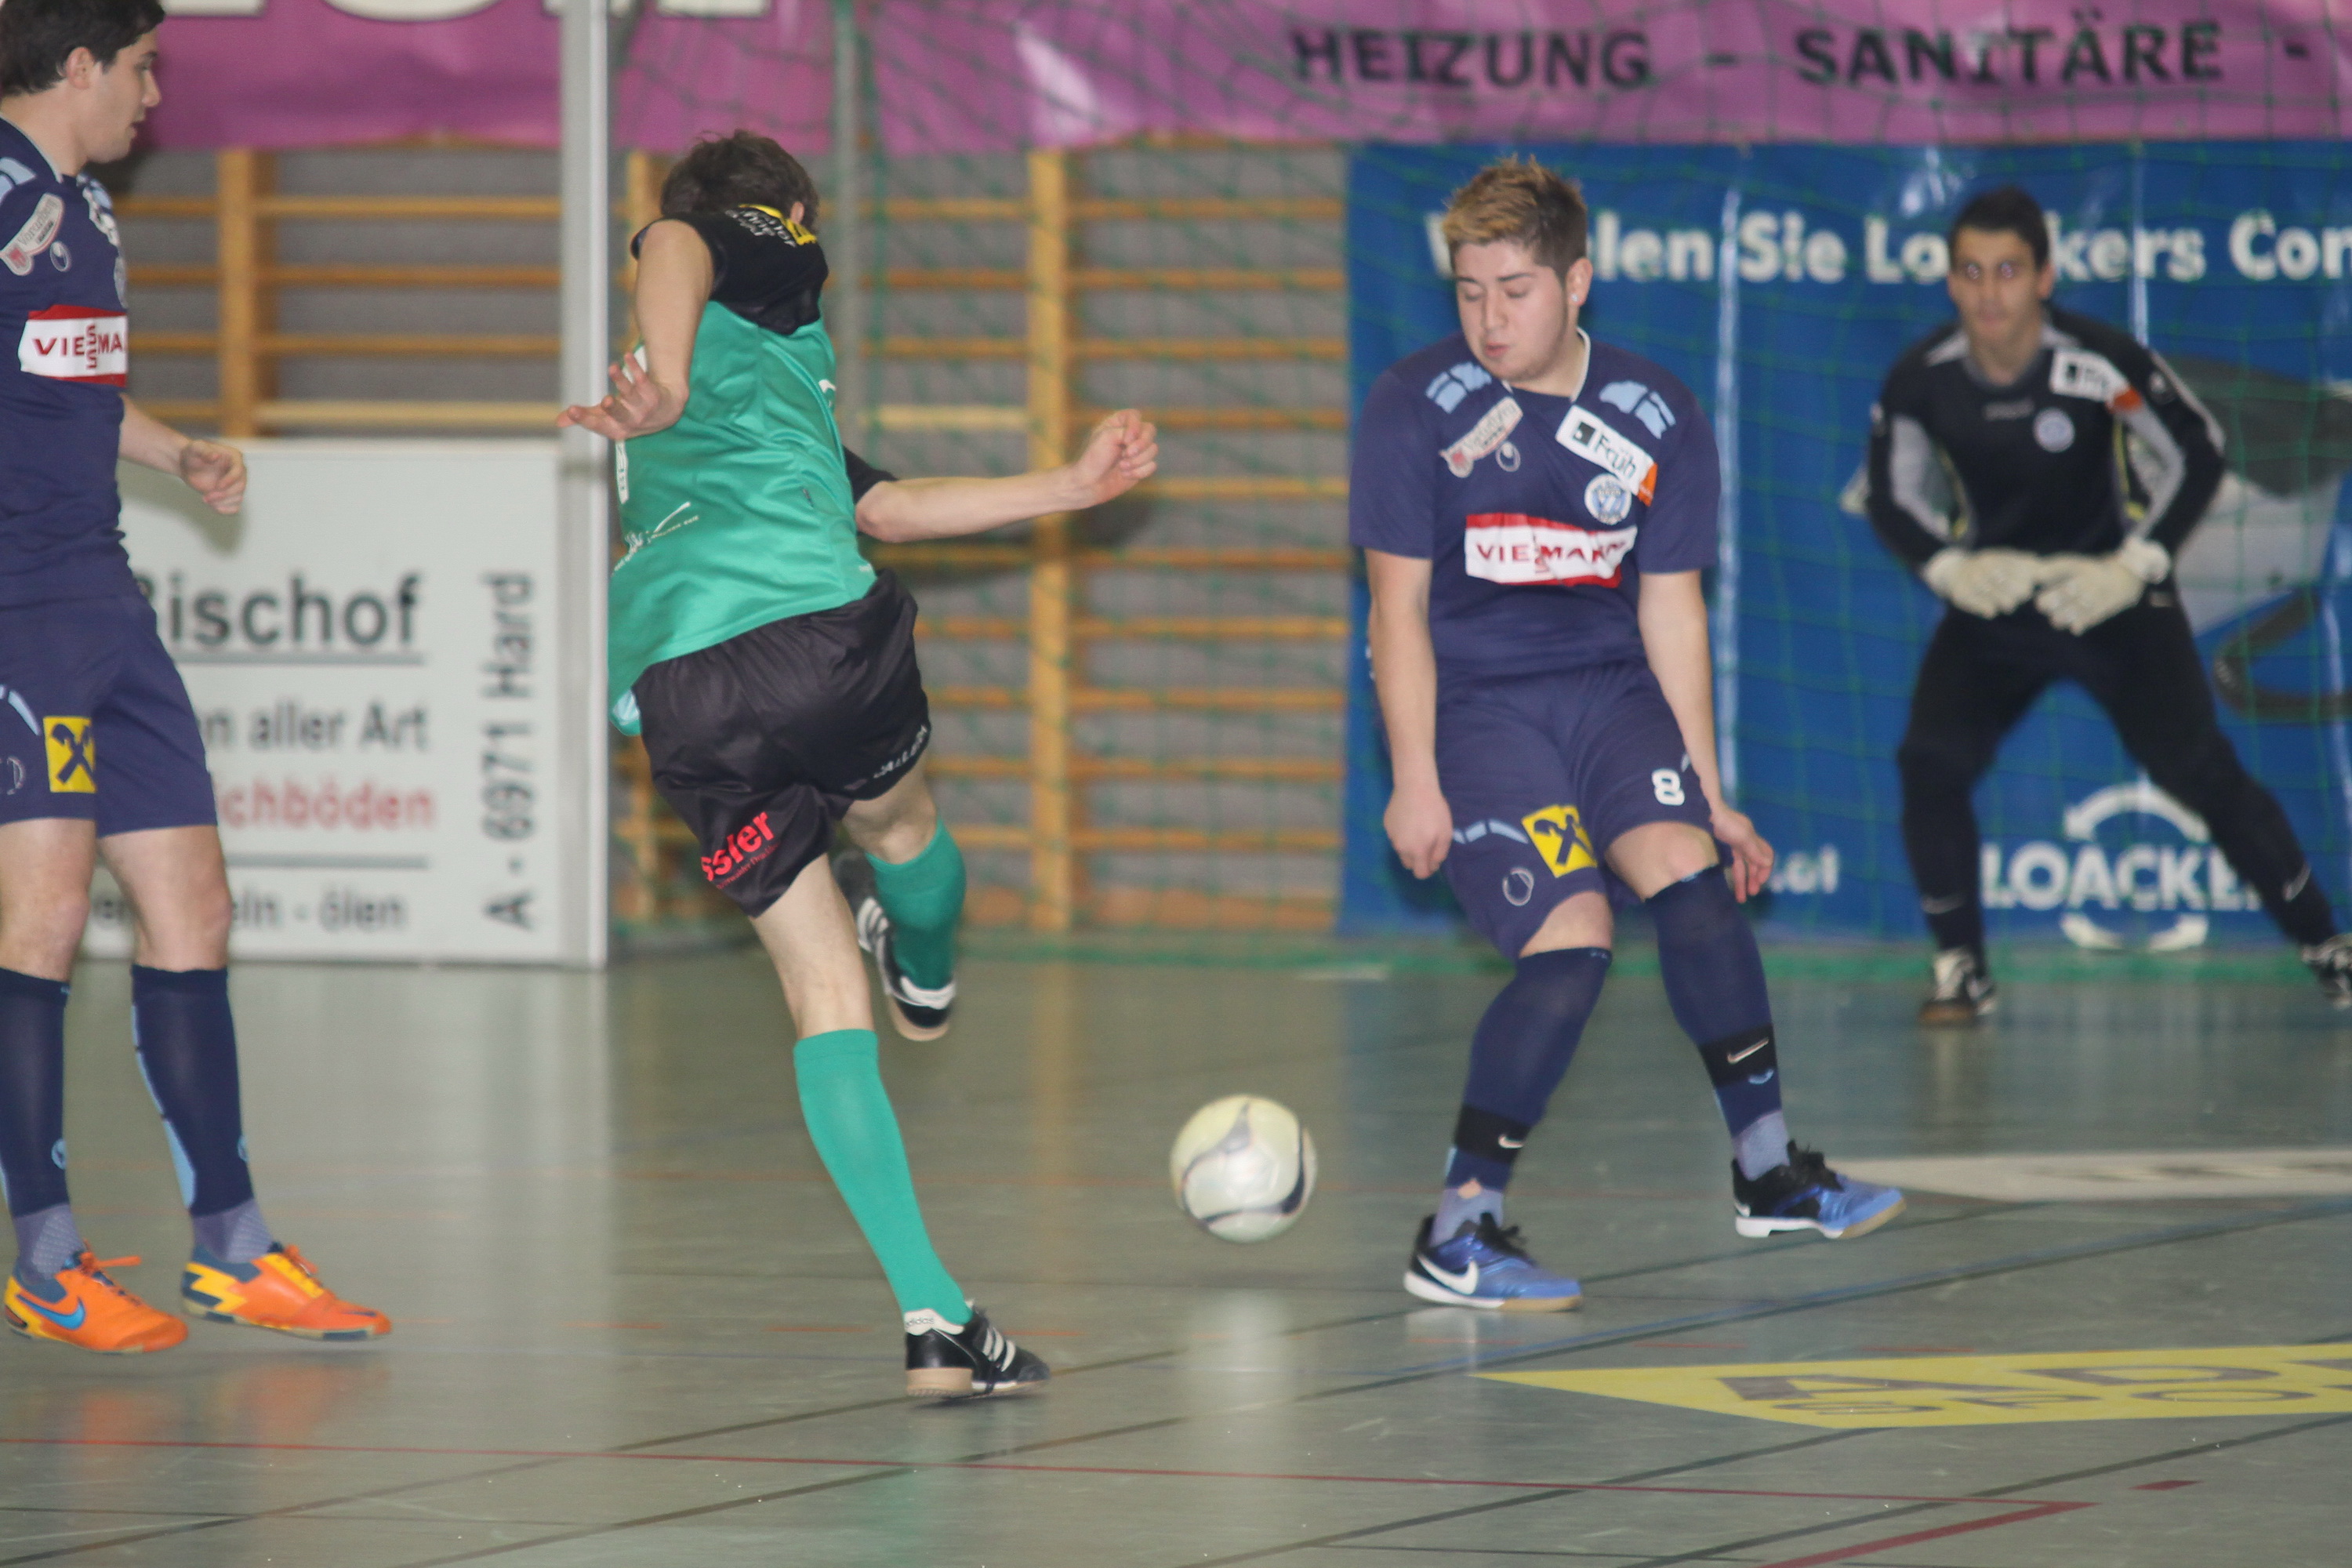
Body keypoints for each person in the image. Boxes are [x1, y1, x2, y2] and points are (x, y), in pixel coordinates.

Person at [559, 131, 1156, 1396]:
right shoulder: (744, 258)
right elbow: (673, 238)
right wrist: (667, 366)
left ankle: (935, 1320)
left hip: (682, 697)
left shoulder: (753, 400)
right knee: (901, 829)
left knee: (821, 993)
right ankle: (925, 959)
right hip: (812, 639)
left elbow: (883, 505)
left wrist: (1066, 486)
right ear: (786, 216)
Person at [1351, 158, 1904, 1312]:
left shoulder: (1655, 415)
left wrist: (1710, 789)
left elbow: (1671, 608)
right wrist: (1414, 777)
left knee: (1692, 879)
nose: (1489, 320)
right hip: (1480, 710)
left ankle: (1768, 1171)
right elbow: (1395, 610)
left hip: (1608, 692)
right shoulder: (1414, 406)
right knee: (1575, 942)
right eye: (1468, 292)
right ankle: (1458, 1227)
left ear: (1577, 282)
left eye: (1515, 291)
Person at [0, 0, 387, 1352]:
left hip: (105, 599)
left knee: (196, 908)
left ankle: (231, 1247)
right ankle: (46, 1260)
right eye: (143, 67)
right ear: (80, 65)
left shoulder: (88, 211)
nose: (154, 96)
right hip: (18, 615)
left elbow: (69, 392)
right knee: (43, 921)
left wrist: (178, 453)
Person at [1864, 184, 2352, 1025]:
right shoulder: (1921, 381)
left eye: (2008, 271)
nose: (1989, 293)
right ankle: (1962, 969)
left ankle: (2327, 945)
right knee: (1928, 763)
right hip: (1999, 600)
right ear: (1949, 282)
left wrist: (2138, 563)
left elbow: (2199, 449)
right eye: (1971, 272)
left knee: (2200, 769)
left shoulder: (2101, 364)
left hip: (2113, 598)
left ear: (2044, 277)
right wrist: (1949, 569)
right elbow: (1889, 495)